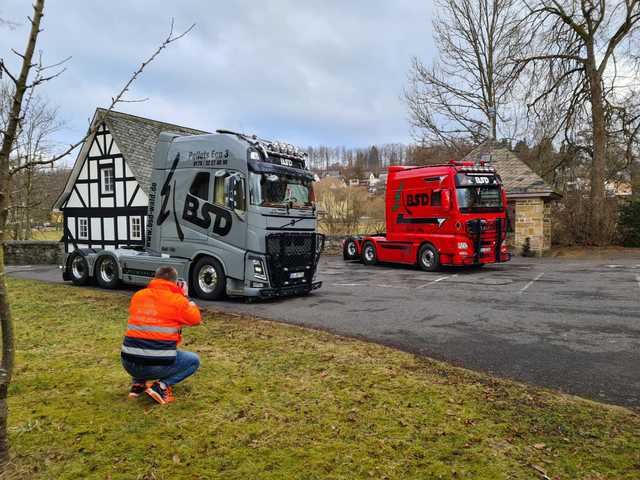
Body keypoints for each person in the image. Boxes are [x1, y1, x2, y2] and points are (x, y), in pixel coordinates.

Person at [121, 266, 201, 404]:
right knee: (193, 360)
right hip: (156, 364)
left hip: (128, 362)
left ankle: (138, 384)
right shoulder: (178, 301)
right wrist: (186, 296)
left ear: (155, 278)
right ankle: (161, 387)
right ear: (175, 282)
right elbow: (196, 320)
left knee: (142, 339)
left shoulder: (138, 296)